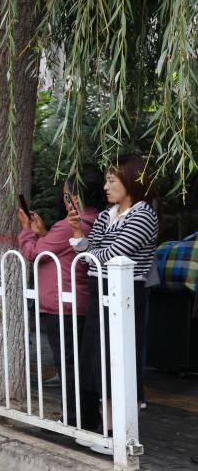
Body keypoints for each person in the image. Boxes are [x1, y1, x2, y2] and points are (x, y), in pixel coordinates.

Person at [69, 154, 159, 454]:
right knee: (98, 357)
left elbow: (114, 254)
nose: (106, 187)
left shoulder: (143, 214)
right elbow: (89, 253)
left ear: (131, 181)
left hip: (127, 292)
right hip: (100, 290)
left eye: (111, 181)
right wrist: (80, 235)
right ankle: (106, 428)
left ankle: (121, 431)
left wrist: (90, 252)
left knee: (120, 358)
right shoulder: (108, 214)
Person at [16, 166, 103, 402]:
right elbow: (60, 251)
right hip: (80, 303)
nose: (64, 200)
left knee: (69, 366)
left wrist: (26, 230)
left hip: (62, 306)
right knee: (81, 365)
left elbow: (34, 253)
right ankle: (85, 415)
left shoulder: (69, 225)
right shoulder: (97, 219)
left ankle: (74, 416)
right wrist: (44, 233)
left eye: (66, 195)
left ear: (75, 196)